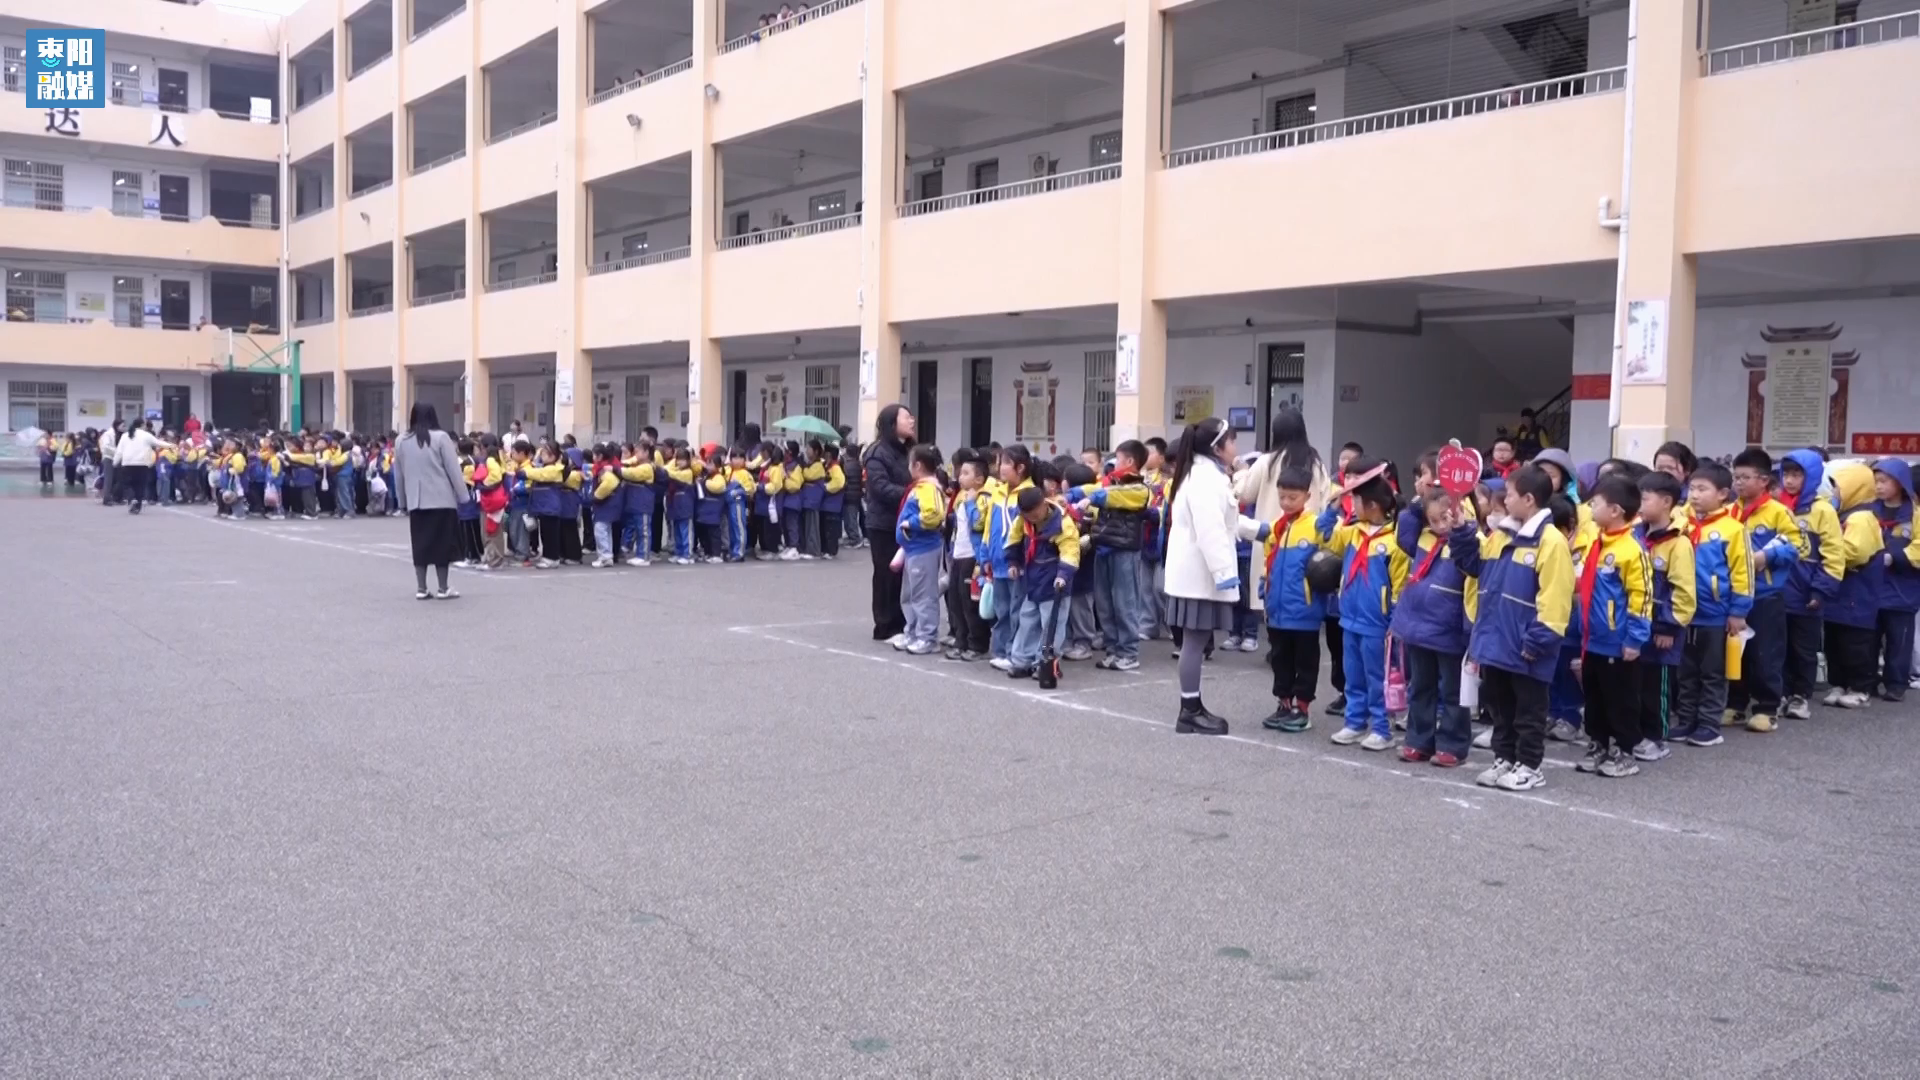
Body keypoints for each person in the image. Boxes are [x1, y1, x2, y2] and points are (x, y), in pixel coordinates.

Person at [1449, 463, 1573, 793]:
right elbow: (1474, 566)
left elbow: (1556, 599)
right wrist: (1461, 531)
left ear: (1529, 499)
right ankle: (1504, 758)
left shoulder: (1551, 542)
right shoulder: (1501, 535)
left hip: (1526, 645)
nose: (1504, 500)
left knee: (1528, 711)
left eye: (1510, 494)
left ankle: (1529, 765)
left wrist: (1539, 640)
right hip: (1496, 641)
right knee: (1500, 707)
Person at [1161, 416, 1264, 735]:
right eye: (1232, 441)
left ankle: (1192, 706)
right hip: (1200, 574)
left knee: (1195, 641)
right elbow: (1211, 530)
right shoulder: (1205, 478)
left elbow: (1225, 521)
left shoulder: (1202, 473)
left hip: (1196, 572)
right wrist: (1224, 573)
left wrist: (1260, 530)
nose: (1236, 446)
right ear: (1218, 448)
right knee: (1194, 642)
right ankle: (1189, 710)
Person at [1566, 475, 1653, 778]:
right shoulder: (1597, 543)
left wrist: (1635, 639)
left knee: (1621, 700)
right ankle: (1599, 743)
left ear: (1615, 510)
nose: (1590, 508)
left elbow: (1641, 597)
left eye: (1596, 504)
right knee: (1595, 697)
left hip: (1618, 641)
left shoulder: (1631, 550)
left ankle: (1625, 750)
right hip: (1593, 639)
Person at [1318, 458, 1406, 751]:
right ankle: (1355, 723)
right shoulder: (1353, 532)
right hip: (1350, 617)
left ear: (1372, 505)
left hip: (1377, 622)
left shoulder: (1395, 541)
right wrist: (1331, 508)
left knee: (1377, 677)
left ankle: (1382, 727)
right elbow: (1324, 536)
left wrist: (1394, 620)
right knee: (1353, 675)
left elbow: (1399, 587)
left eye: (1355, 500)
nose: (1351, 505)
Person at [1389, 485, 1475, 764]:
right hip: (1417, 625)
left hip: (1449, 628)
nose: (1440, 526)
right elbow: (1403, 530)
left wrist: (1460, 529)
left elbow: (1473, 564)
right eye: (1433, 520)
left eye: (1445, 518)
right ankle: (1418, 740)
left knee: (1452, 691)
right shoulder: (1423, 537)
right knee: (1421, 686)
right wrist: (1418, 504)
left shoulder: (1469, 539)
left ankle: (1453, 744)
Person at [1667, 462, 1751, 747]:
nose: (1694, 495)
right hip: (1684, 614)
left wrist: (1738, 611)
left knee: (1713, 673)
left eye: (1702, 489)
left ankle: (1709, 724)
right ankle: (1686, 720)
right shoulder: (1681, 524)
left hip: (1715, 614)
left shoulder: (1733, 530)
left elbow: (1743, 573)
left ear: (1723, 494)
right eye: (1692, 488)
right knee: (1686, 672)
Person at [1726, 449, 1806, 732]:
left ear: (1763, 480)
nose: (1739, 483)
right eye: (1736, 477)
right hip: (1733, 594)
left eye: (1745, 477)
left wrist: (1767, 557)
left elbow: (1799, 545)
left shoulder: (1778, 512)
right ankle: (1735, 704)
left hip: (1766, 594)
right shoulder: (1729, 511)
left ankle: (1767, 708)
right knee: (1735, 652)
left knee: (1765, 653)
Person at [1235, 408, 1330, 629]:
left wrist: (1241, 472)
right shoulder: (1315, 462)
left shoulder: (1267, 461)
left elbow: (1245, 494)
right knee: (1301, 591)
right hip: (1307, 537)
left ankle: (1276, 634)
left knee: (1272, 587)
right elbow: (1326, 499)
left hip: (1273, 536)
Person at [1258, 467, 1331, 734]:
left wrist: (1333, 513)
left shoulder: (1315, 525)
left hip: (1304, 610)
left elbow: (1331, 539)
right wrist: (1264, 582)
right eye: (1282, 497)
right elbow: (1269, 559)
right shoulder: (1278, 527)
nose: (1286, 502)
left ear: (1307, 496)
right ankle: (1284, 702)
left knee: (1305, 661)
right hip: (1277, 610)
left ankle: (1302, 708)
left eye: (1293, 497)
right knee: (1280, 659)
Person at [1069, 439, 1151, 672]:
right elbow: (1095, 489)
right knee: (1105, 604)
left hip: (1124, 551)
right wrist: (1073, 493)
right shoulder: (1109, 482)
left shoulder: (1139, 489)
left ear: (1130, 461)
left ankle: (1128, 652)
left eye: (1119, 458)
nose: (1114, 462)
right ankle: (1113, 649)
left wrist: (1091, 498)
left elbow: (1109, 495)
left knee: (1125, 603)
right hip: (1103, 547)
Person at [1634, 471, 1695, 761]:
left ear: (1666, 502)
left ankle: (1656, 737)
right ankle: (1637, 733)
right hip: (1636, 625)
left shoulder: (1678, 543)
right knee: (1635, 683)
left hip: (1662, 629)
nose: (1639, 504)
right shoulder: (1635, 535)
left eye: (1644, 499)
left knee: (1656, 687)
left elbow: (1683, 591)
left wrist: (1668, 627)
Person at [1779, 449, 1841, 720]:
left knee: (1804, 649)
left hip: (1807, 594)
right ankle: (1780, 693)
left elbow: (1834, 555)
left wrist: (1821, 590)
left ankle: (1800, 696)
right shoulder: (1776, 507)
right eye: (1786, 474)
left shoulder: (1822, 511)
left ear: (1812, 476)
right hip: (1777, 592)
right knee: (1777, 648)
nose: (1790, 480)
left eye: (1797, 475)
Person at [391, 403, 470, 600]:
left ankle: (421, 587)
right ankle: (443, 588)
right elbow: (453, 470)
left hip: (416, 501)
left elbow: (398, 474)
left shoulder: (401, 441)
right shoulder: (441, 437)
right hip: (442, 499)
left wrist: (402, 501)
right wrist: (463, 496)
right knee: (443, 544)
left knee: (420, 545)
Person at [1823, 462, 1885, 708]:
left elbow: (1854, 552)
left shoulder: (1861, 518)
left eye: (1837, 488)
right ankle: (1839, 683)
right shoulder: (1845, 515)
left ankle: (1860, 687)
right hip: (1841, 592)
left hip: (1857, 592)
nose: (1833, 494)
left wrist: (1826, 553)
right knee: (1835, 641)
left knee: (1856, 642)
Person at [1004, 486, 1082, 679]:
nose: (1033, 518)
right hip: (1032, 580)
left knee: (1052, 625)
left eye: (1036, 512)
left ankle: (1045, 663)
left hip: (1055, 582)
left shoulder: (1062, 522)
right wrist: (1013, 562)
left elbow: (1070, 550)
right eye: (1028, 515)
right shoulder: (1022, 520)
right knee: (1027, 621)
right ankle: (1022, 661)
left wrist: (1064, 574)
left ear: (1044, 504)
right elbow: (1013, 540)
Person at [864, 405, 915, 643]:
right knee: (886, 574)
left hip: (906, 521)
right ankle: (885, 626)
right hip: (883, 523)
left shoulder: (908, 451)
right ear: (891, 423)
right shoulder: (877, 452)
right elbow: (880, 487)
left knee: (903, 576)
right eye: (906, 417)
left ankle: (902, 622)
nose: (912, 421)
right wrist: (913, 495)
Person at [1871, 459, 1918, 703]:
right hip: (1871, 587)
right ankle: (1867, 681)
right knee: (1868, 639)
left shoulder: (1915, 515)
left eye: (1884, 481)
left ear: (1900, 483)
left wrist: (1896, 557)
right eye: (1875, 481)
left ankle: (1896, 683)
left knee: (1899, 640)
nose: (1878, 486)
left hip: (1902, 589)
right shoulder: (1868, 512)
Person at [895, 445, 948, 655]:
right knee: (910, 594)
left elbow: (934, 514)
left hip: (924, 548)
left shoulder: (928, 488)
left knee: (923, 595)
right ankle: (913, 632)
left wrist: (911, 523)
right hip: (913, 548)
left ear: (917, 465)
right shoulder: (920, 487)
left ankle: (927, 637)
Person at [112, 418, 171, 514]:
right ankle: (137, 506)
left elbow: (119, 451)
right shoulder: (146, 435)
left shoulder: (125, 435)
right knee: (140, 485)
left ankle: (132, 500)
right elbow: (158, 443)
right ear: (142, 425)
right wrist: (172, 446)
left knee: (128, 484)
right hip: (142, 463)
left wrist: (115, 462)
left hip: (127, 463)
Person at [587, 444, 626, 568]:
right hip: (610, 504)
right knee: (606, 531)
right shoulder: (607, 466)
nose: (593, 457)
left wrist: (596, 496)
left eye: (594, 455)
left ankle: (605, 557)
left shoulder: (603, 469)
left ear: (600, 456)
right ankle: (607, 556)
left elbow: (609, 483)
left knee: (600, 531)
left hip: (605, 504)